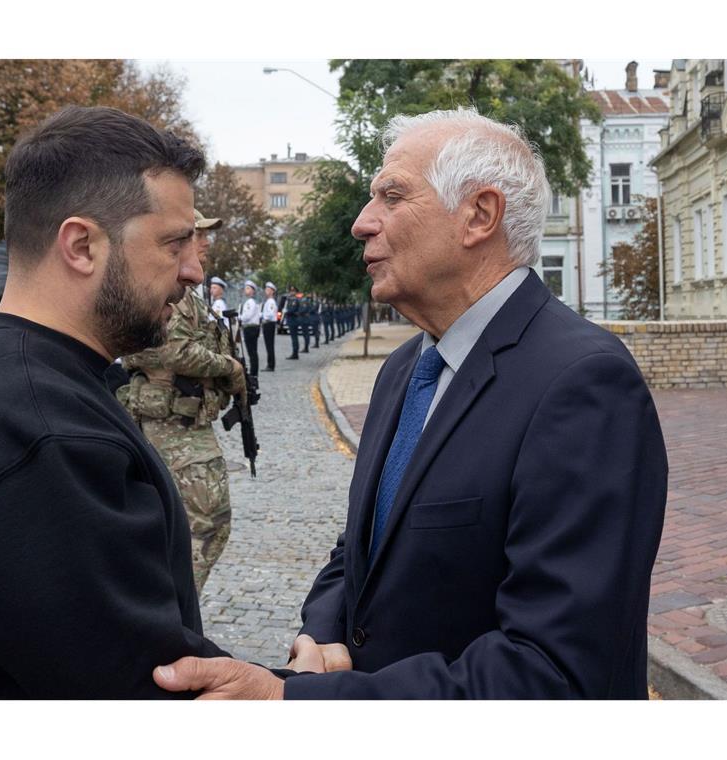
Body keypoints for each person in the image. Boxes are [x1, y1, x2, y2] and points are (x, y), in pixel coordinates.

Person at [153, 107, 668, 699]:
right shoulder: (405, 369)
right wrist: (321, 635)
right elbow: (363, 546)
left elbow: (553, 674)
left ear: (479, 215)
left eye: (392, 197)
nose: (362, 223)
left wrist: (293, 701)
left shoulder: (584, 384)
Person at [0, 106, 232, 698]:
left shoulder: (19, 374)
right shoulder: (38, 427)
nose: (194, 269)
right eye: (174, 243)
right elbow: (140, 689)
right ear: (81, 245)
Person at [118, 208, 244, 595]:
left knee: (185, 522)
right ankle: (173, 610)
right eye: (196, 234)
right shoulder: (166, 288)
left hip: (182, 420)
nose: (205, 242)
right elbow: (174, 351)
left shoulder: (188, 293)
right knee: (207, 520)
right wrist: (231, 368)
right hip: (171, 424)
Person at [238, 279, 261, 377]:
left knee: (252, 352)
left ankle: (253, 373)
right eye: (245, 288)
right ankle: (253, 372)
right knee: (252, 351)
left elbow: (247, 316)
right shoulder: (249, 302)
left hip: (250, 328)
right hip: (251, 328)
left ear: (252, 291)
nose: (245, 290)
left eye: (248, 288)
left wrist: (238, 317)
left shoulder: (250, 302)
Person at [260, 282, 278, 371]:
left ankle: (271, 365)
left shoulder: (271, 302)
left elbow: (270, 314)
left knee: (269, 345)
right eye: (266, 289)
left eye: (267, 290)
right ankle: (270, 364)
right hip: (267, 323)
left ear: (272, 291)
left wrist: (262, 317)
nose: (265, 291)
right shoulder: (268, 301)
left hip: (269, 324)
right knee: (268, 345)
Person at [284, 286, 301, 360]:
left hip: (293, 320)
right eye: (290, 291)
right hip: (291, 320)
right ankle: (294, 353)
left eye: (293, 291)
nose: (291, 292)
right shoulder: (290, 299)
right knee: (293, 337)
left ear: (295, 292)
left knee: (294, 338)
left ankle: (295, 353)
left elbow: (292, 309)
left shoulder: (295, 300)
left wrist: (286, 311)